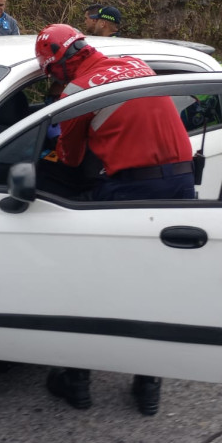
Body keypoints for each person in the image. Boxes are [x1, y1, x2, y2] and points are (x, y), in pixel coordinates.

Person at [34, 24, 195, 415]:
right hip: (183, 185)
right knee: (154, 289)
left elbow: (70, 160)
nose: (52, 83)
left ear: (57, 68)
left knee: (96, 285)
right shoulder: (135, 64)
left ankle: (77, 381)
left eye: (49, 75)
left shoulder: (77, 91)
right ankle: (148, 386)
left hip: (133, 190)